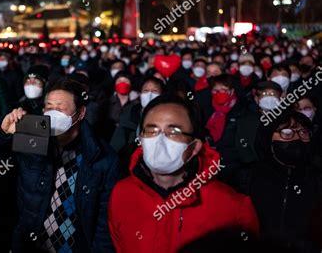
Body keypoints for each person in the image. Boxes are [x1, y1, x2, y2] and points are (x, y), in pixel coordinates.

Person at [0, 78, 121, 252]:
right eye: (49, 107)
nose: (53, 113)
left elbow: (103, 223)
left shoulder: (102, 158)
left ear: (81, 113)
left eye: (60, 108)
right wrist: (2, 130)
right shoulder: (32, 140)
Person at [108, 95, 259, 253]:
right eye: (152, 130)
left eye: (173, 131)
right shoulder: (122, 194)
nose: (159, 140)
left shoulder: (233, 208)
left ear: (194, 147)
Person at [244, 110, 322, 252]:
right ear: (268, 138)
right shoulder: (249, 176)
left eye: (303, 132)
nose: (297, 138)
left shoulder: (317, 178)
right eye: (287, 132)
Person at [110, 76, 165, 173]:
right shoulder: (129, 114)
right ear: (140, 94)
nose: (150, 94)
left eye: (155, 91)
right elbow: (116, 148)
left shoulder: (169, 117)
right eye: (146, 90)